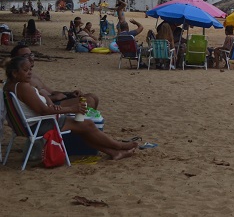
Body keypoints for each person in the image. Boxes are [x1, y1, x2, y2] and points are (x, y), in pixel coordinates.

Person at [3, 56, 137, 160]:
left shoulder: (9, 85)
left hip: (28, 125)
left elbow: (42, 107)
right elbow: (43, 110)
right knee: (87, 124)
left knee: (83, 126)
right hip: (37, 125)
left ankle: (115, 152)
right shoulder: (23, 87)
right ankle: (118, 146)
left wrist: (48, 98)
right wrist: (72, 109)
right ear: (15, 73)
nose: (30, 73)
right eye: (25, 70)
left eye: (30, 69)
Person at [10, 43, 99, 109]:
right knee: (89, 100)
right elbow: (35, 100)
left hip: (55, 100)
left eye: (31, 55)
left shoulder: (32, 75)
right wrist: (54, 97)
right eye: (25, 56)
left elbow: (51, 91)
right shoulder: (23, 80)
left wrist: (68, 93)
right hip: (51, 106)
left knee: (94, 97)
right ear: (16, 60)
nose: (30, 58)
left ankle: (90, 124)